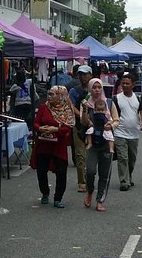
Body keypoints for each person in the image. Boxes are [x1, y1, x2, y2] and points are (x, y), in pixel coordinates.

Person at [32, 85, 74, 207]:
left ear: (60, 96)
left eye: (52, 94)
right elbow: (36, 122)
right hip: (43, 144)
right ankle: (45, 193)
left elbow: (68, 127)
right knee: (41, 171)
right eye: (48, 94)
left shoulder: (67, 110)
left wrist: (56, 129)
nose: (48, 96)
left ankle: (58, 198)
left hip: (59, 146)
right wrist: (40, 128)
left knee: (61, 172)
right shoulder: (43, 107)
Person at [79, 78, 115, 211]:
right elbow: (83, 122)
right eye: (94, 88)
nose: (97, 90)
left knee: (104, 174)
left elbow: (116, 119)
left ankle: (100, 200)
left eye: (99, 87)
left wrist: (110, 125)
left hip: (105, 142)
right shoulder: (86, 104)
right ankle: (90, 191)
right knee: (90, 171)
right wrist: (84, 110)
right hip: (92, 143)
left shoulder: (109, 102)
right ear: (90, 89)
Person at [110, 72, 142, 191]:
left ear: (133, 85)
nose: (125, 85)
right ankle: (124, 181)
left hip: (134, 134)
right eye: (123, 83)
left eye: (127, 83)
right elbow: (112, 114)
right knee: (123, 157)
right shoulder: (116, 99)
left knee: (131, 159)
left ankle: (128, 176)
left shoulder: (138, 98)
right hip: (120, 133)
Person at [68, 64, 94, 192]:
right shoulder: (74, 91)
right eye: (80, 74)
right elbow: (71, 107)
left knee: (92, 154)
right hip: (78, 126)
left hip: (94, 126)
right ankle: (82, 182)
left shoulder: (95, 89)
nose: (83, 77)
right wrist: (82, 117)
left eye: (85, 74)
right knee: (80, 154)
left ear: (90, 75)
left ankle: (91, 178)